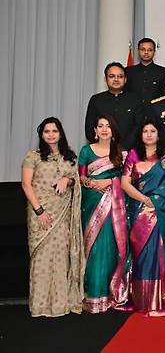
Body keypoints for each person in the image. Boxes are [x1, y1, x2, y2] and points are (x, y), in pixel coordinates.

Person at [21, 117, 84, 317]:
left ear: (60, 133)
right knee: (41, 258)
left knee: (60, 257)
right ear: (41, 134)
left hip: (63, 215)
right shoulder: (34, 156)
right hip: (40, 214)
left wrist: (68, 179)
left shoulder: (70, 157)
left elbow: (75, 180)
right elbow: (26, 184)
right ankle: (40, 306)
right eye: (46, 131)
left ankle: (60, 304)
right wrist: (39, 211)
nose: (50, 134)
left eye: (54, 131)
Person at [119, 121, 165, 316]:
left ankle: (155, 300)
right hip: (139, 211)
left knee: (156, 255)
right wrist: (145, 199)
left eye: (152, 131)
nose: (148, 134)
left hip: (162, 213)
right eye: (145, 131)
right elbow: (125, 184)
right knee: (141, 254)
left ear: (158, 135)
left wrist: (158, 202)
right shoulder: (133, 155)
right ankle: (140, 300)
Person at [78, 115, 128, 313]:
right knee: (94, 247)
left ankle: (110, 293)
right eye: (100, 126)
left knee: (110, 246)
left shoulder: (121, 153)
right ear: (95, 130)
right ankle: (93, 296)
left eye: (108, 126)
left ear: (114, 131)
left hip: (114, 205)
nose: (104, 129)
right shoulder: (86, 151)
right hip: (91, 203)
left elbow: (126, 178)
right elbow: (81, 176)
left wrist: (108, 183)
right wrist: (92, 183)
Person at [85, 62, 143, 150]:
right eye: (112, 76)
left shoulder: (135, 100)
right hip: (101, 153)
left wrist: (123, 148)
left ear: (125, 79)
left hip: (129, 152)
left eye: (120, 76)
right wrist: (103, 148)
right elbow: (90, 129)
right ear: (105, 79)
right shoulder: (96, 100)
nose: (116, 79)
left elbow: (139, 127)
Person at [125, 37, 165, 106]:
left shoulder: (163, 72)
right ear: (138, 51)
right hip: (133, 112)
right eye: (143, 49)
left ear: (154, 52)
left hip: (155, 112)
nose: (146, 52)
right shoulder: (128, 71)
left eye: (150, 50)